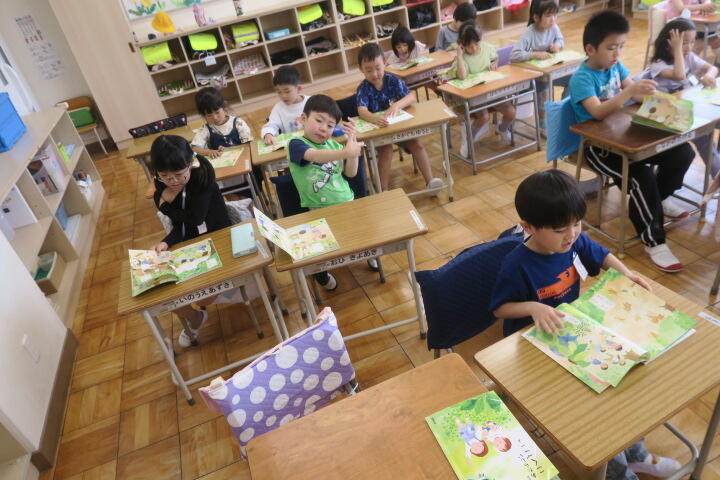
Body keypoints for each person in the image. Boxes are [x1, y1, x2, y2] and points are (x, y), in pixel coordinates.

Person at [490, 169, 680, 480]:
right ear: (529, 227)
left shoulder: (572, 242)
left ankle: (636, 455)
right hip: (536, 350)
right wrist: (533, 307)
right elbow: (499, 308)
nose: (571, 234)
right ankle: (619, 473)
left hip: (575, 334)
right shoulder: (516, 264)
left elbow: (602, 255)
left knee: (623, 389)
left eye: (577, 223)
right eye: (560, 229)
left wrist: (626, 274)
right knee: (596, 415)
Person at [569, 10, 694, 272]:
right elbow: (597, 112)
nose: (617, 53)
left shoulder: (616, 67)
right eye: (611, 48)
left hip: (625, 138)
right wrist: (629, 92)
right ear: (590, 49)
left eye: (621, 46)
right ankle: (654, 241)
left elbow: (635, 95)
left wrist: (651, 95)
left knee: (682, 153)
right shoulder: (581, 78)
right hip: (597, 148)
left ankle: (658, 199)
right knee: (640, 176)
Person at [150, 134, 231, 347]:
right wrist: (166, 242)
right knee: (162, 292)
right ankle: (195, 318)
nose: (173, 181)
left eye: (178, 174)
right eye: (165, 176)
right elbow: (182, 226)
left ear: (190, 162)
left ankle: (198, 312)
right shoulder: (163, 182)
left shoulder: (202, 178)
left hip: (218, 239)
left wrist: (164, 205)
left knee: (201, 297)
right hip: (191, 245)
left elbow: (195, 219)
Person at [288, 94, 364, 291]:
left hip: (347, 201)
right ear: (303, 119)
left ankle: (371, 254)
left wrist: (352, 143)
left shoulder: (334, 145)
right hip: (319, 209)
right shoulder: (296, 144)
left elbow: (350, 173)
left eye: (330, 125)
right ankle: (321, 275)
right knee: (321, 248)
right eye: (319, 120)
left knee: (359, 237)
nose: (323, 128)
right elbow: (315, 156)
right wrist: (345, 152)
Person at [355, 42, 444, 191]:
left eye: (378, 68)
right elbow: (361, 110)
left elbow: (411, 97)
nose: (375, 74)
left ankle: (430, 182)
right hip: (380, 132)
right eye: (369, 70)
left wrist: (396, 105)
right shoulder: (363, 88)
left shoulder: (392, 80)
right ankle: (383, 190)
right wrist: (374, 119)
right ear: (361, 69)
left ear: (384, 63)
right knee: (386, 150)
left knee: (417, 144)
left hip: (400, 127)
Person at [644, 18, 720, 175]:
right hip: (665, 115)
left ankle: (717, 173)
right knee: (704, 136)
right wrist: (678, 49)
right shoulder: (658, 64)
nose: (689, 47)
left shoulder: (688, 56)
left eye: (692, 42)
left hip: (686, 109)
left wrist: (709, 75)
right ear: (668, 44)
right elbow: (679, 75)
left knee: (708, 130)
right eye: (684, 43)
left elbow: (712, 68)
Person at [453, 20, 516, 154]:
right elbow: (462, 76)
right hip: (474, 97)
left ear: (480, 39)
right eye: (469, 46)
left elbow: (495, 58)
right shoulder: (462, 57)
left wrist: (495, 63)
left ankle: (502, 129)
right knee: (484, 117)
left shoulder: (487, 48)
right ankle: (469, 139)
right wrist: (459, 55)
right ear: (462, 45)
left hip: (491, 92)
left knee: (511, 112)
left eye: (476, 44)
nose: (474, 49)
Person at [510, 0, 565, 131]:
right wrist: (534, 54)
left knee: (573, 79)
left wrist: (557, 45)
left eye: (555, 15)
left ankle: (564, 111)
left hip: (550, 71)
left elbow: (560, 40)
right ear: (536, 17)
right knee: (544, 83)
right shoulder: (529, 33)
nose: (553, 19)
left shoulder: (554, 27)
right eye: (548, 16)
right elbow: (514, 55)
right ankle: (542, 120)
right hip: (534, 77)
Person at [191, 86, 252, 158]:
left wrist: (230, 149)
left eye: (217, 112)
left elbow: (249, 144)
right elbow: (195, 148)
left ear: (224, 106)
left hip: (243, 158)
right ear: (203, 115)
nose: (215, 118)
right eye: (209, 115)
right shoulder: (205, 129)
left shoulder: (238, 123)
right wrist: (208, 152)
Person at [261, 65, 308, 146]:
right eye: (279, 92)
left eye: (287, 91)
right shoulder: (278, 108)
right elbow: (271, 125)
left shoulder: (311, 102)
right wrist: (268, 134)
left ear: (299, 88)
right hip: (293, 147)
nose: (283, 96)